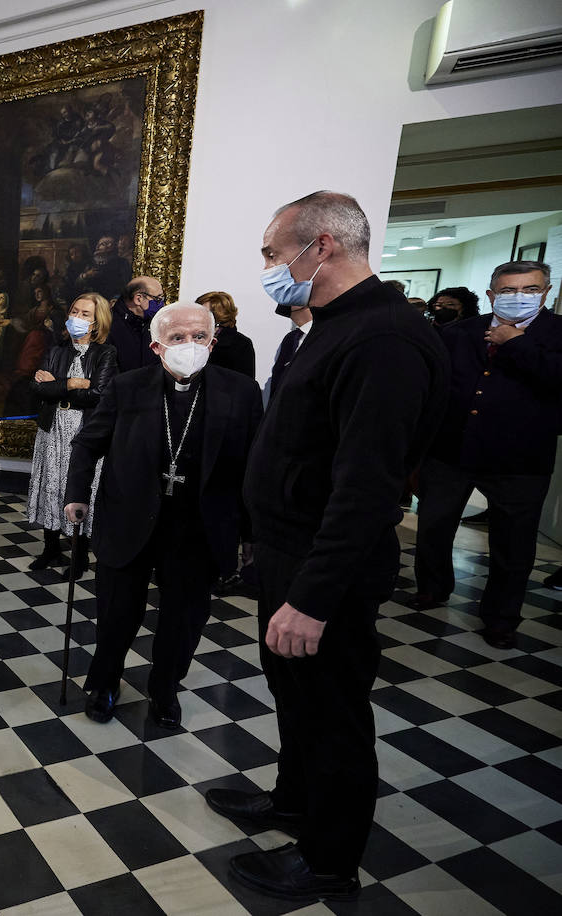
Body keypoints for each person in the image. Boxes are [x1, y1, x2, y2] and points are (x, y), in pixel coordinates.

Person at [207, 191, 448, 904]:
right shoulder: (335, 326)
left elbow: (367, 486)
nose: (269, 268)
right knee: (295, 695)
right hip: (289, 553)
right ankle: (293, 799)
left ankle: (327, 856)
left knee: (334, 713)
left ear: (323, 247)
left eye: (273, 253)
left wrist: (310, 599)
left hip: (326, 570)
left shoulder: (383, 338)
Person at [65, 302, 261, 729]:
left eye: (198, 337)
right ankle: (104, 683)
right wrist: (76, 494)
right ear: (157, 346)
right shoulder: (127, 387)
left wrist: (250, 533)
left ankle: (165, 688)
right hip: (129, 517)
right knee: (118, 613)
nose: (188, 345)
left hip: (199, 525)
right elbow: (87, 443)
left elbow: (251, 468)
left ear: (212, 342)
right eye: (177, 338)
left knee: (183, 620)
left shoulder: (241, 392)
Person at [407, 260, 560, 649]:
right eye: (508, 291)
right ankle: (433, 587)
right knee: (434, 527)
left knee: (513, 545)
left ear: (545, 292)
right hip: (451, 451)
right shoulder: (459, 333)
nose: (518, 297)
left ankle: (501, 617)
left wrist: (516, 343)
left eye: (529, 289)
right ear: (492, 295)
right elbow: (434, 386)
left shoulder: (557, 334)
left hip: (519, 459)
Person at [26, 293, 117, 576]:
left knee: (77, 489)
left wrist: (60, 386)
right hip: (52, 429)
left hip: (83, 432)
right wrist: (75, 382)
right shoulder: (57, 350)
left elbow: (99, 394)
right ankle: (50, 548)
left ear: (97, 321)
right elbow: (38, 388)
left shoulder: (106, 353)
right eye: (75, 311)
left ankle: (79, 557)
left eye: (85, 314)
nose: (77, 317)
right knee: (49, 486)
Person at [108, 276, 164, 372]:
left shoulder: (154, 322)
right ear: (138, 299)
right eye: (157, 299)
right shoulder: (109, 325)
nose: (162, 303)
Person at [198, 290, 256, 378]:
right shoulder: (191, 338)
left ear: (219, 315)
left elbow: (245, 382)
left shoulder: (241, 343)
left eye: (202, 313)